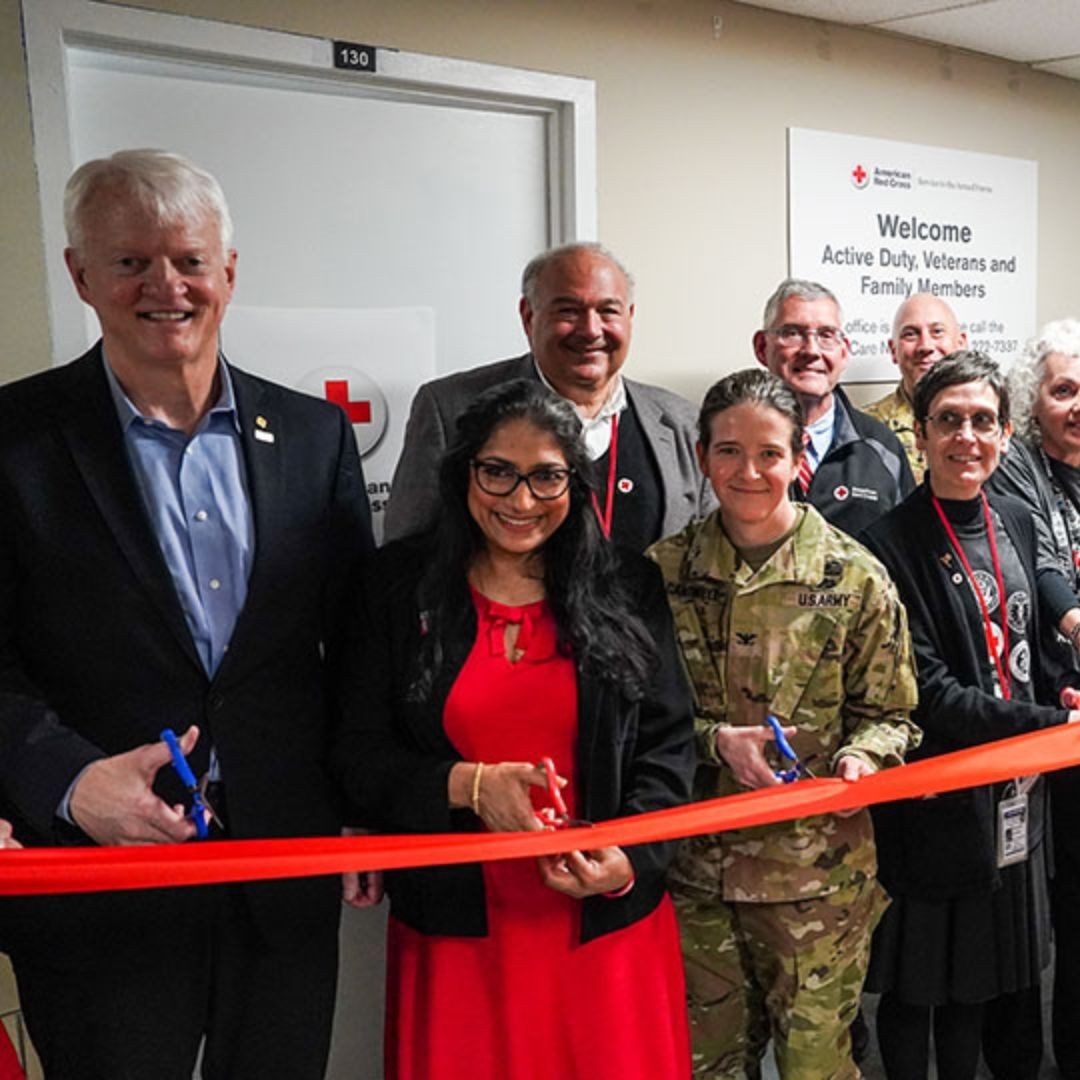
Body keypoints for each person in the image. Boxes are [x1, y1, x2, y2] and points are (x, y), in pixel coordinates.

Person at [0, 149, 374, 1079]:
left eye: (189, 260)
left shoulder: (314, 435)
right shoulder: (13, 440)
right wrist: (71, 779)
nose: (165, 285)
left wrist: (366, 803)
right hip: (97, 885)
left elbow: (357, 644)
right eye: (130, 262)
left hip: (280, 876)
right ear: (80, 274)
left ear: (229, 273)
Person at [335, 378, 695, 1079]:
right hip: (458, 934)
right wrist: (466, 786)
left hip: (601, 924)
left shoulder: (628, 586)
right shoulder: (395, 586)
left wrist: (629, 860)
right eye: (497, 471)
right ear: (463, 471)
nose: (521, 500)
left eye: (547, 477)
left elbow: (668, 747)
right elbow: (356, 754)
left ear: (576, 483)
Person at [648, 367, 920, 1079]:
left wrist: (866, 761)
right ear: (704, 457)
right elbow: (639, 721)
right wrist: (714, 742)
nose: (749, 471)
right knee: (703, 1067)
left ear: (799, 459)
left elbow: (891, 715)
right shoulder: (661, 574)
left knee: (814, 1069)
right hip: (696, 879)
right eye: (729, 451)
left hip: (816, 884)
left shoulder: (854, 576)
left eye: (769, 453)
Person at [861, 352, 1077, 1080]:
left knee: (978, 989)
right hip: (936, 802)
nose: (966, 436)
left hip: (1017, 799)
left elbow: (1031, 644)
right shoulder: (889, 543)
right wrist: (1051, 729)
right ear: (920, 435)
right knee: (917, 989)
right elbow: (931, 691)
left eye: (983, 421)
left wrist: (1064, 695)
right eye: (948, 420)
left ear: (1006, 433)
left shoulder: (1014, 519)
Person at [384, 241, 714, 549]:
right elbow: (406, 557)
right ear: (528, 317)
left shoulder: (683, 421)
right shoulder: (449, 409)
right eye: (569, 310)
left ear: (630, 317)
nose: (590, 330)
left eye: (608, 311)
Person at [986, 320, 1080, 1079]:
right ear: (1034, 400)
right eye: (1064, 390)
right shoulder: (1017, 469)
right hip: (1059, 707)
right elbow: (1043, 565)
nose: (1079, 405)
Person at [753, 278, 914, 538]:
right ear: (762, 347)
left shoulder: (882, 447)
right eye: (793, 333)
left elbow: (908, 549)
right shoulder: (735, 446)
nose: (812, 350)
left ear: (844, 352)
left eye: (826, 335)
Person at [863, 294, 968, 482]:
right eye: (910, 334)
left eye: (937, 332)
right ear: (893, 350)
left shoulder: (987, 423)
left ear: (961, 343)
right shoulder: (865, 429)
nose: (925, 346)